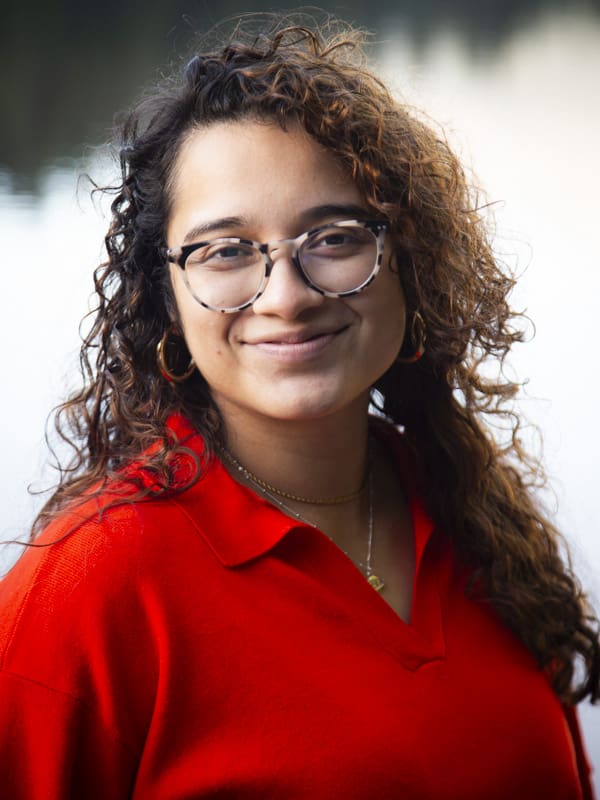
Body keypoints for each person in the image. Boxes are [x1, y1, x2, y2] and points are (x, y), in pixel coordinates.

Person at [0, 15, 598, 799]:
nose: (285, 296)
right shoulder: (89, 591)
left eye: (334, 237)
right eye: (225, 250)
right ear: (167, 296)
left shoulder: (467, 509)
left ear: (406, 261)